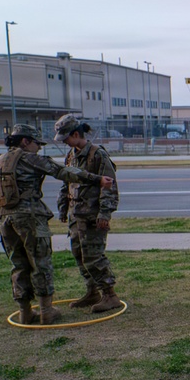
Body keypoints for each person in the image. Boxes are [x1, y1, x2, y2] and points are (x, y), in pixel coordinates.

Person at [0, 124, 114, 325]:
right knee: (40, 263)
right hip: (29, 218)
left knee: (19, 265)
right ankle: (46, 310)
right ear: (25, 141)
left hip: (4, 219)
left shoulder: (0, 160)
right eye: (37, 143)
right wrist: (98, 179)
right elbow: (62, 172)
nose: (39, 148)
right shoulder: (29, 158)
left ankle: (25, 312)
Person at [54, 114, 122, 313]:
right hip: (76, 216)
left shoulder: (97, 154)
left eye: (66, 138)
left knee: (94, 256)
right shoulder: (71, 155)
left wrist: (105, 214)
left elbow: (109, 186)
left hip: (93, 216)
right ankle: (92, 291)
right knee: (79, 254)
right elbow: (67, 183)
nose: (65, 142)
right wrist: (63, 207)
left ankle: (110, 295)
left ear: (76, 134)